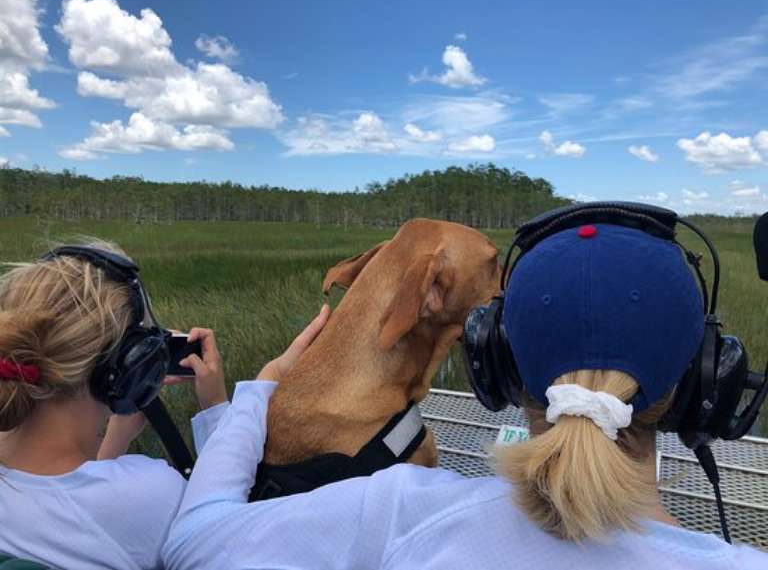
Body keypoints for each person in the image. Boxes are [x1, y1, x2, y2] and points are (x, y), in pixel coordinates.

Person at [163, 221, 768, 569]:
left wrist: (256, 392)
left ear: (497, 363)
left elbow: (191, 545)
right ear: (705, 381)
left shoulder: (403, 505)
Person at [0, 241, 228, 570]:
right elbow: (228, 529)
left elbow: (72, 503)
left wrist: (115, 440)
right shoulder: (151, 493)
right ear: (126, 366)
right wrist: (216, 410)